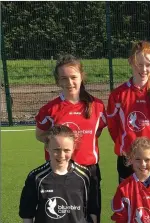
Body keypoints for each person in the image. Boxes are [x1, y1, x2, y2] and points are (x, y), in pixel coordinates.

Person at [35, 54, 107, 222]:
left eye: (73, 77)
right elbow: (40, 135)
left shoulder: (97, 106)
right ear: (58, 81)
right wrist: (58, 141)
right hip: (60, 169)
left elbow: (97, 131)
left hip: (89, 170)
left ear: (82, 76)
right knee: (64, 215)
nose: (69, 83)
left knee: (91, 214)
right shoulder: (50, 109)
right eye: (64, 79)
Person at [107, 41, 150, 183]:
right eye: (139, 64)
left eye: (148, 64)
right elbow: (113, 126)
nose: (144, 69)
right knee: (129, 201)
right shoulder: (118, 94)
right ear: (131, 62)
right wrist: (126, 142)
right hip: (128, 157)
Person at [19, 125, 98, 223]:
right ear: (47, 148)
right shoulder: (36, 177)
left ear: (73, 148)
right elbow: (27, 214)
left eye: (66, 150)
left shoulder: (84, 176)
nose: (61, 155)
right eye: (56, 150)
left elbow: (93, 210)